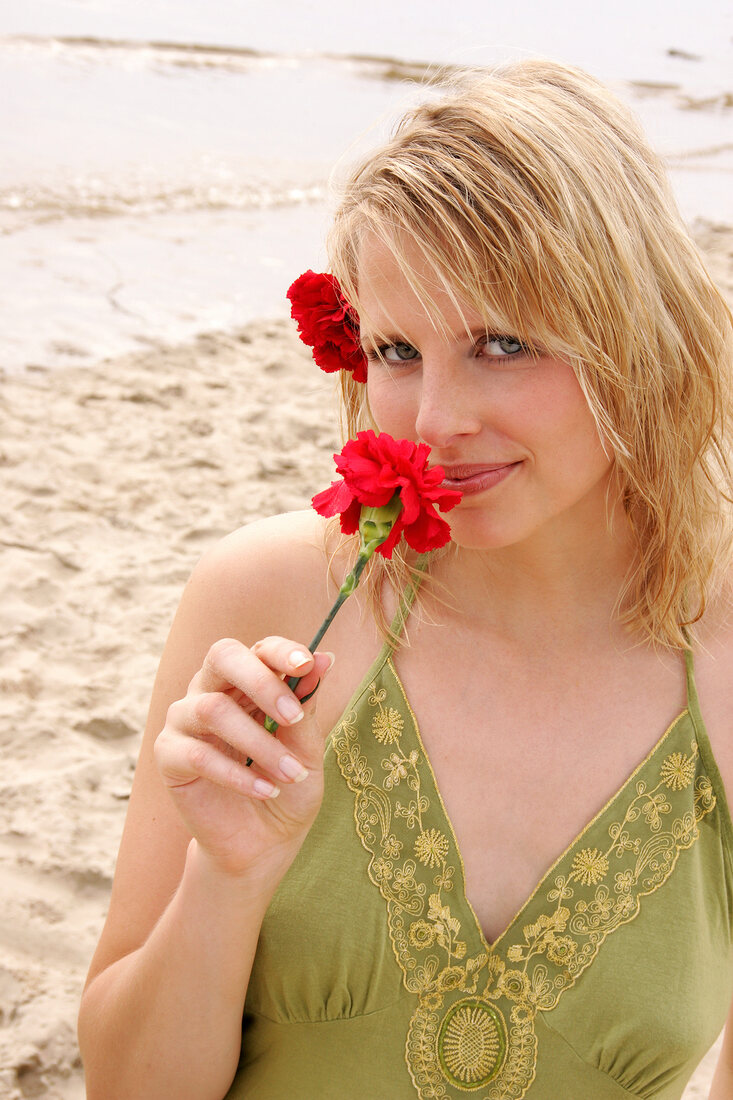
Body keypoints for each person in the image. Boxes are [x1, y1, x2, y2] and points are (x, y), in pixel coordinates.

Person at [78, 58, 733, 1099]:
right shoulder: (271, 603)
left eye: (502, 342)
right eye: (395, 348)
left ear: (635, 333)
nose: (433, 419)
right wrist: (227, 872)